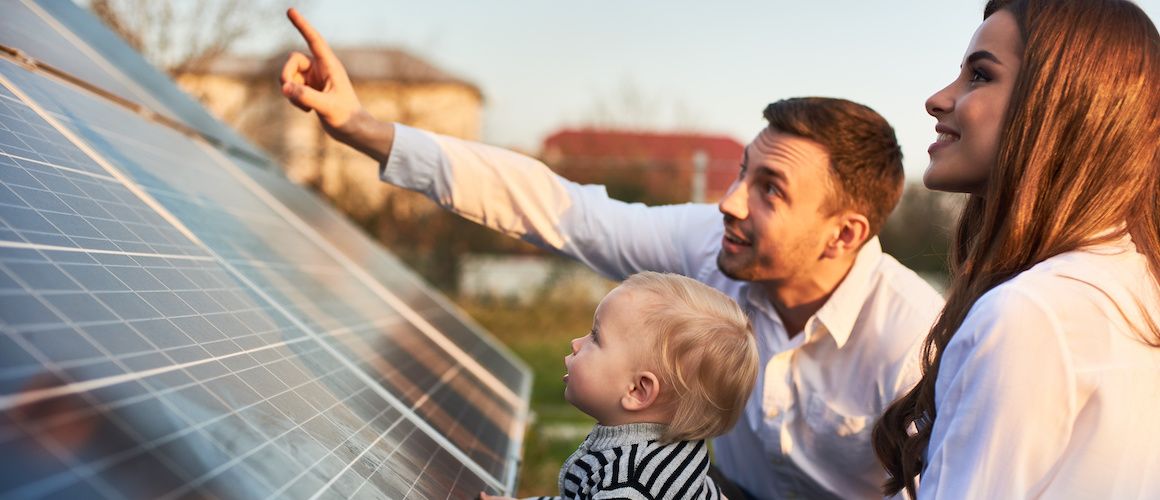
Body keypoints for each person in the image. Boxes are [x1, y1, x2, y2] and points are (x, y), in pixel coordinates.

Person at [279, 9, 945, 498]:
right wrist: (362, 129)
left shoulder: (912, 337)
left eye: (770, 190)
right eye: (743, 172)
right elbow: (558, 209)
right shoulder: (712, 246)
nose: (731, 202)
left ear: (845, 234)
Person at [871, 0, 1160, 497]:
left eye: (980, 75)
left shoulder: (1031, 314)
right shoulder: (1135, 283)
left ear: (1064, 103)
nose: (938, 99)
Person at [480, 271, 757, 499]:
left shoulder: (632, 485)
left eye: (595, 337)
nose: (576, 344)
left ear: (637, 391)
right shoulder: (652, 446)